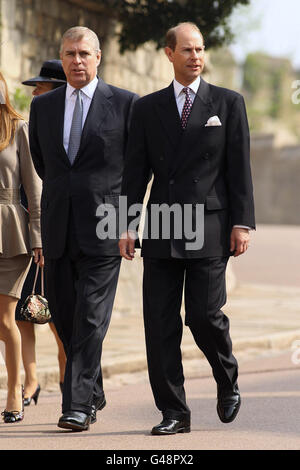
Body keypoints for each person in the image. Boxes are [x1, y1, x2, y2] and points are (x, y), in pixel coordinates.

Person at [119, 22, 255, 435]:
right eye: (187, 50)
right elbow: (134, 173)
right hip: (161, 224)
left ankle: (226, 376)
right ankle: (174, 413)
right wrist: (126, 224)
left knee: (203, 315)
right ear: (169, 54)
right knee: (159, 323)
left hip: (209, 226)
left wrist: (242, 223)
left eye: (200, 49)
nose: (196, 56)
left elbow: (239, 169)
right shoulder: (145, 108)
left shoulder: (228, 103)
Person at [29, 26, 138, 431]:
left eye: (84, 54)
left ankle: (76, 405)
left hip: (105, 227)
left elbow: (136, 169)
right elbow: (43, 163)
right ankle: (92, 388)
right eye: (70, 54)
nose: (77, 60)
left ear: (98, 58)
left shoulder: (126, 104)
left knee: (91, 317)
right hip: (58, 226)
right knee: (65, 317)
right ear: (63, 56)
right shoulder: (43, 108)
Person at [16, 60, 67, 406]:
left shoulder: (70, 128)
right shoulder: (32, 125)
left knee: (59, 320)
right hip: (28, 236)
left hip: (55, 234)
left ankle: (69, 385)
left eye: (42, 87)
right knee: (25, 312)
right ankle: (31, 380)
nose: (35, 93)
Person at [0, 72, 43, 423]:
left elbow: (34, 186)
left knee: (5, 317)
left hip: (11, 233)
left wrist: (39, 237)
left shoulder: (18, 128)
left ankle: (15, 390)